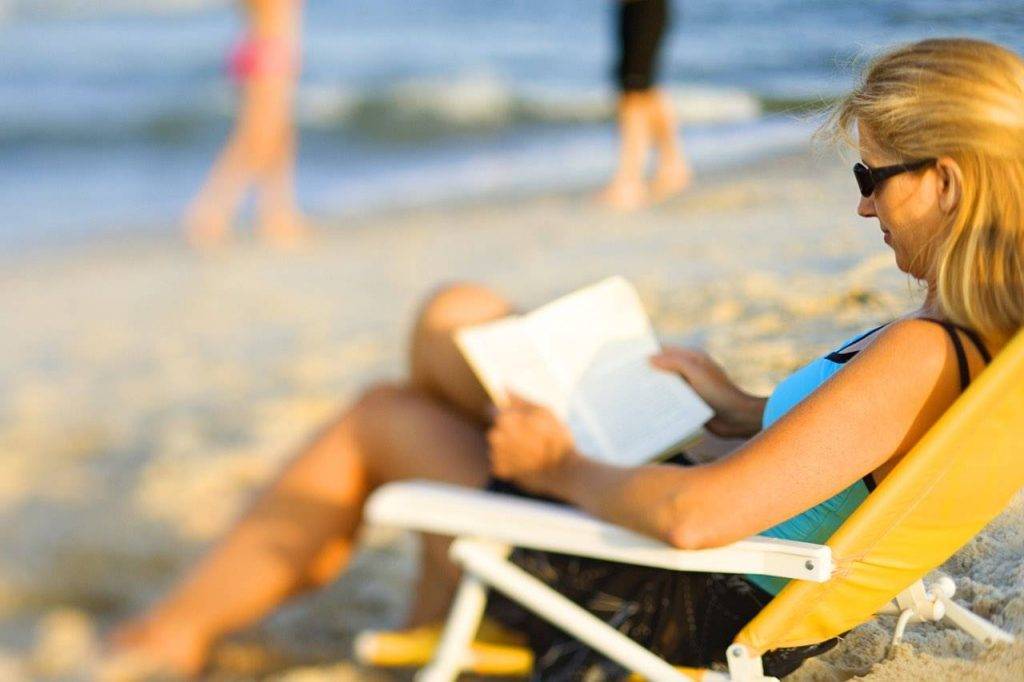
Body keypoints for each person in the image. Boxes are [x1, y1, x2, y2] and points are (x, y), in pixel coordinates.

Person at [110, 38, 1023, 678]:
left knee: (384, 420)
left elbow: (696, 520)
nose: (864, 209)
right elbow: (852, 455)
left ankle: (166, 639)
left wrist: (557, 464)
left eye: (873, 180)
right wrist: (737, 405)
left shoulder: (920, 352)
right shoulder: (961, 341)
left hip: (679, 595)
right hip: (722, 543)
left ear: (943, 180)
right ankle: (428, 595)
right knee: (456, 317)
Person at [184, 0, 306, 249]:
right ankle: (210, 212)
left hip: (268, 52)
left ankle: (277, 213)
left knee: (280, 136)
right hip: (268, 55)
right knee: (257, 139)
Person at [599, 0, 691, 210]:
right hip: (631, 8)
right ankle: (673, 165)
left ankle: (630, 179)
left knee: (634, 91)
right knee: (642, 89)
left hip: (646, 8)